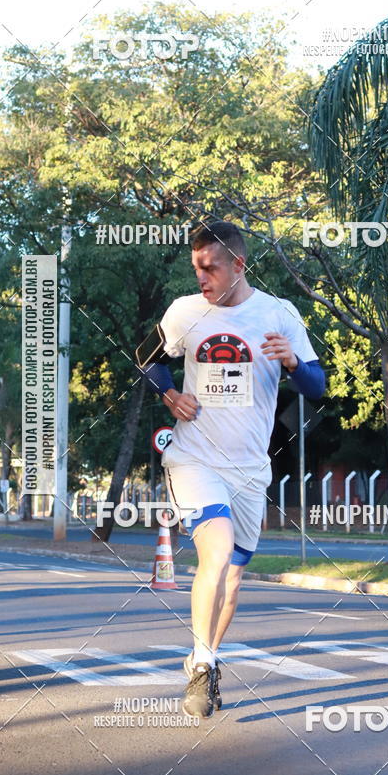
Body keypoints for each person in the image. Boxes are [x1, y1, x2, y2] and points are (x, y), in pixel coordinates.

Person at [138, 220, 325, 718]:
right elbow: (147, 357)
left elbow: (317, 386)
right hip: (195, 457)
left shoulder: (279, 314)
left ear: (238, 265)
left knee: (234, 580)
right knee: (215, 553)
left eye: (210, 267)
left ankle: (208, 655)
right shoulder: (185, 313)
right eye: (196, 267)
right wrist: (169, 393)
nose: (201, 277)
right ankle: (201, 666)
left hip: (249, 469)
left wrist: (293, 365)